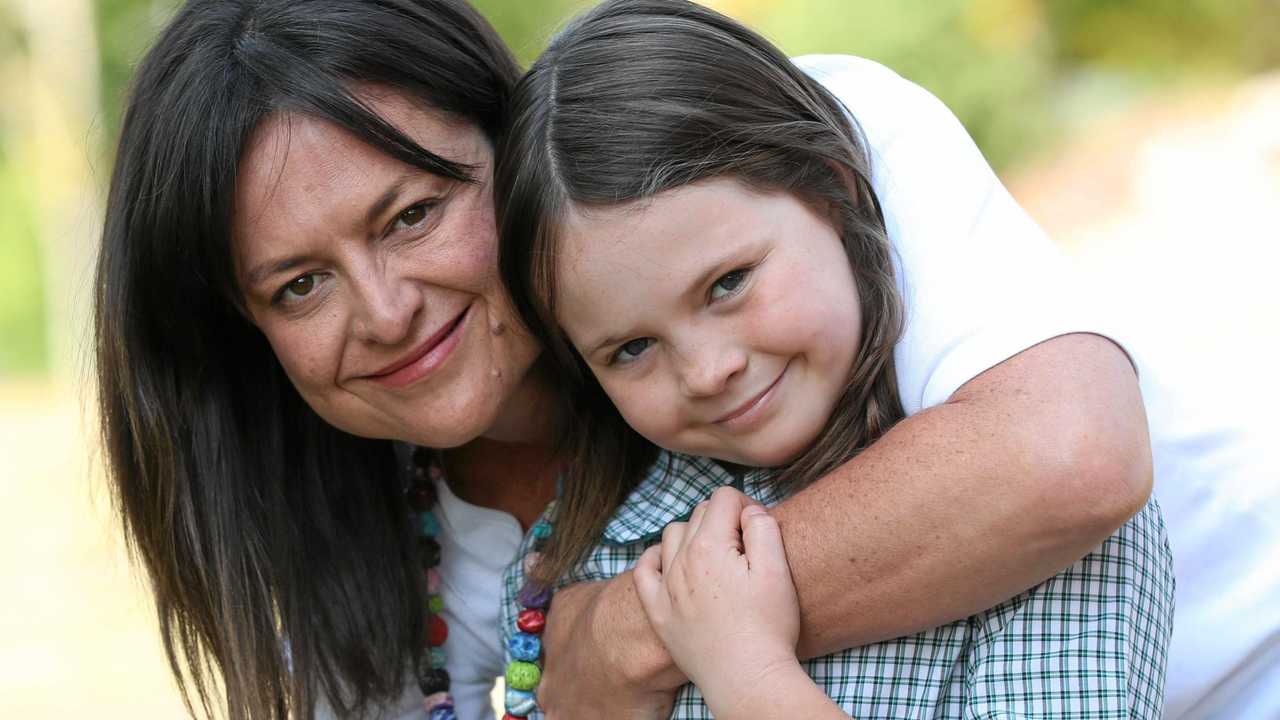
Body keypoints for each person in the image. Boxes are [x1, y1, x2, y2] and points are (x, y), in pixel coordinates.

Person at [95, 1, 1268, 719]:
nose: (386, 308)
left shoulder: (773, 159)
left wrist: (619, 641)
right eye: (298, 285)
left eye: (409, 213)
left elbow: (1061, 455)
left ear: (505, 151)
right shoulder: (368, 574)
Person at [493, 3, 1172, 717]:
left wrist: (749, 678)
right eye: (631, 348)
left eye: (728, 283)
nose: (705, 370)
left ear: (835, 188)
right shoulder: (565, 573)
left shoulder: (1035, 527)